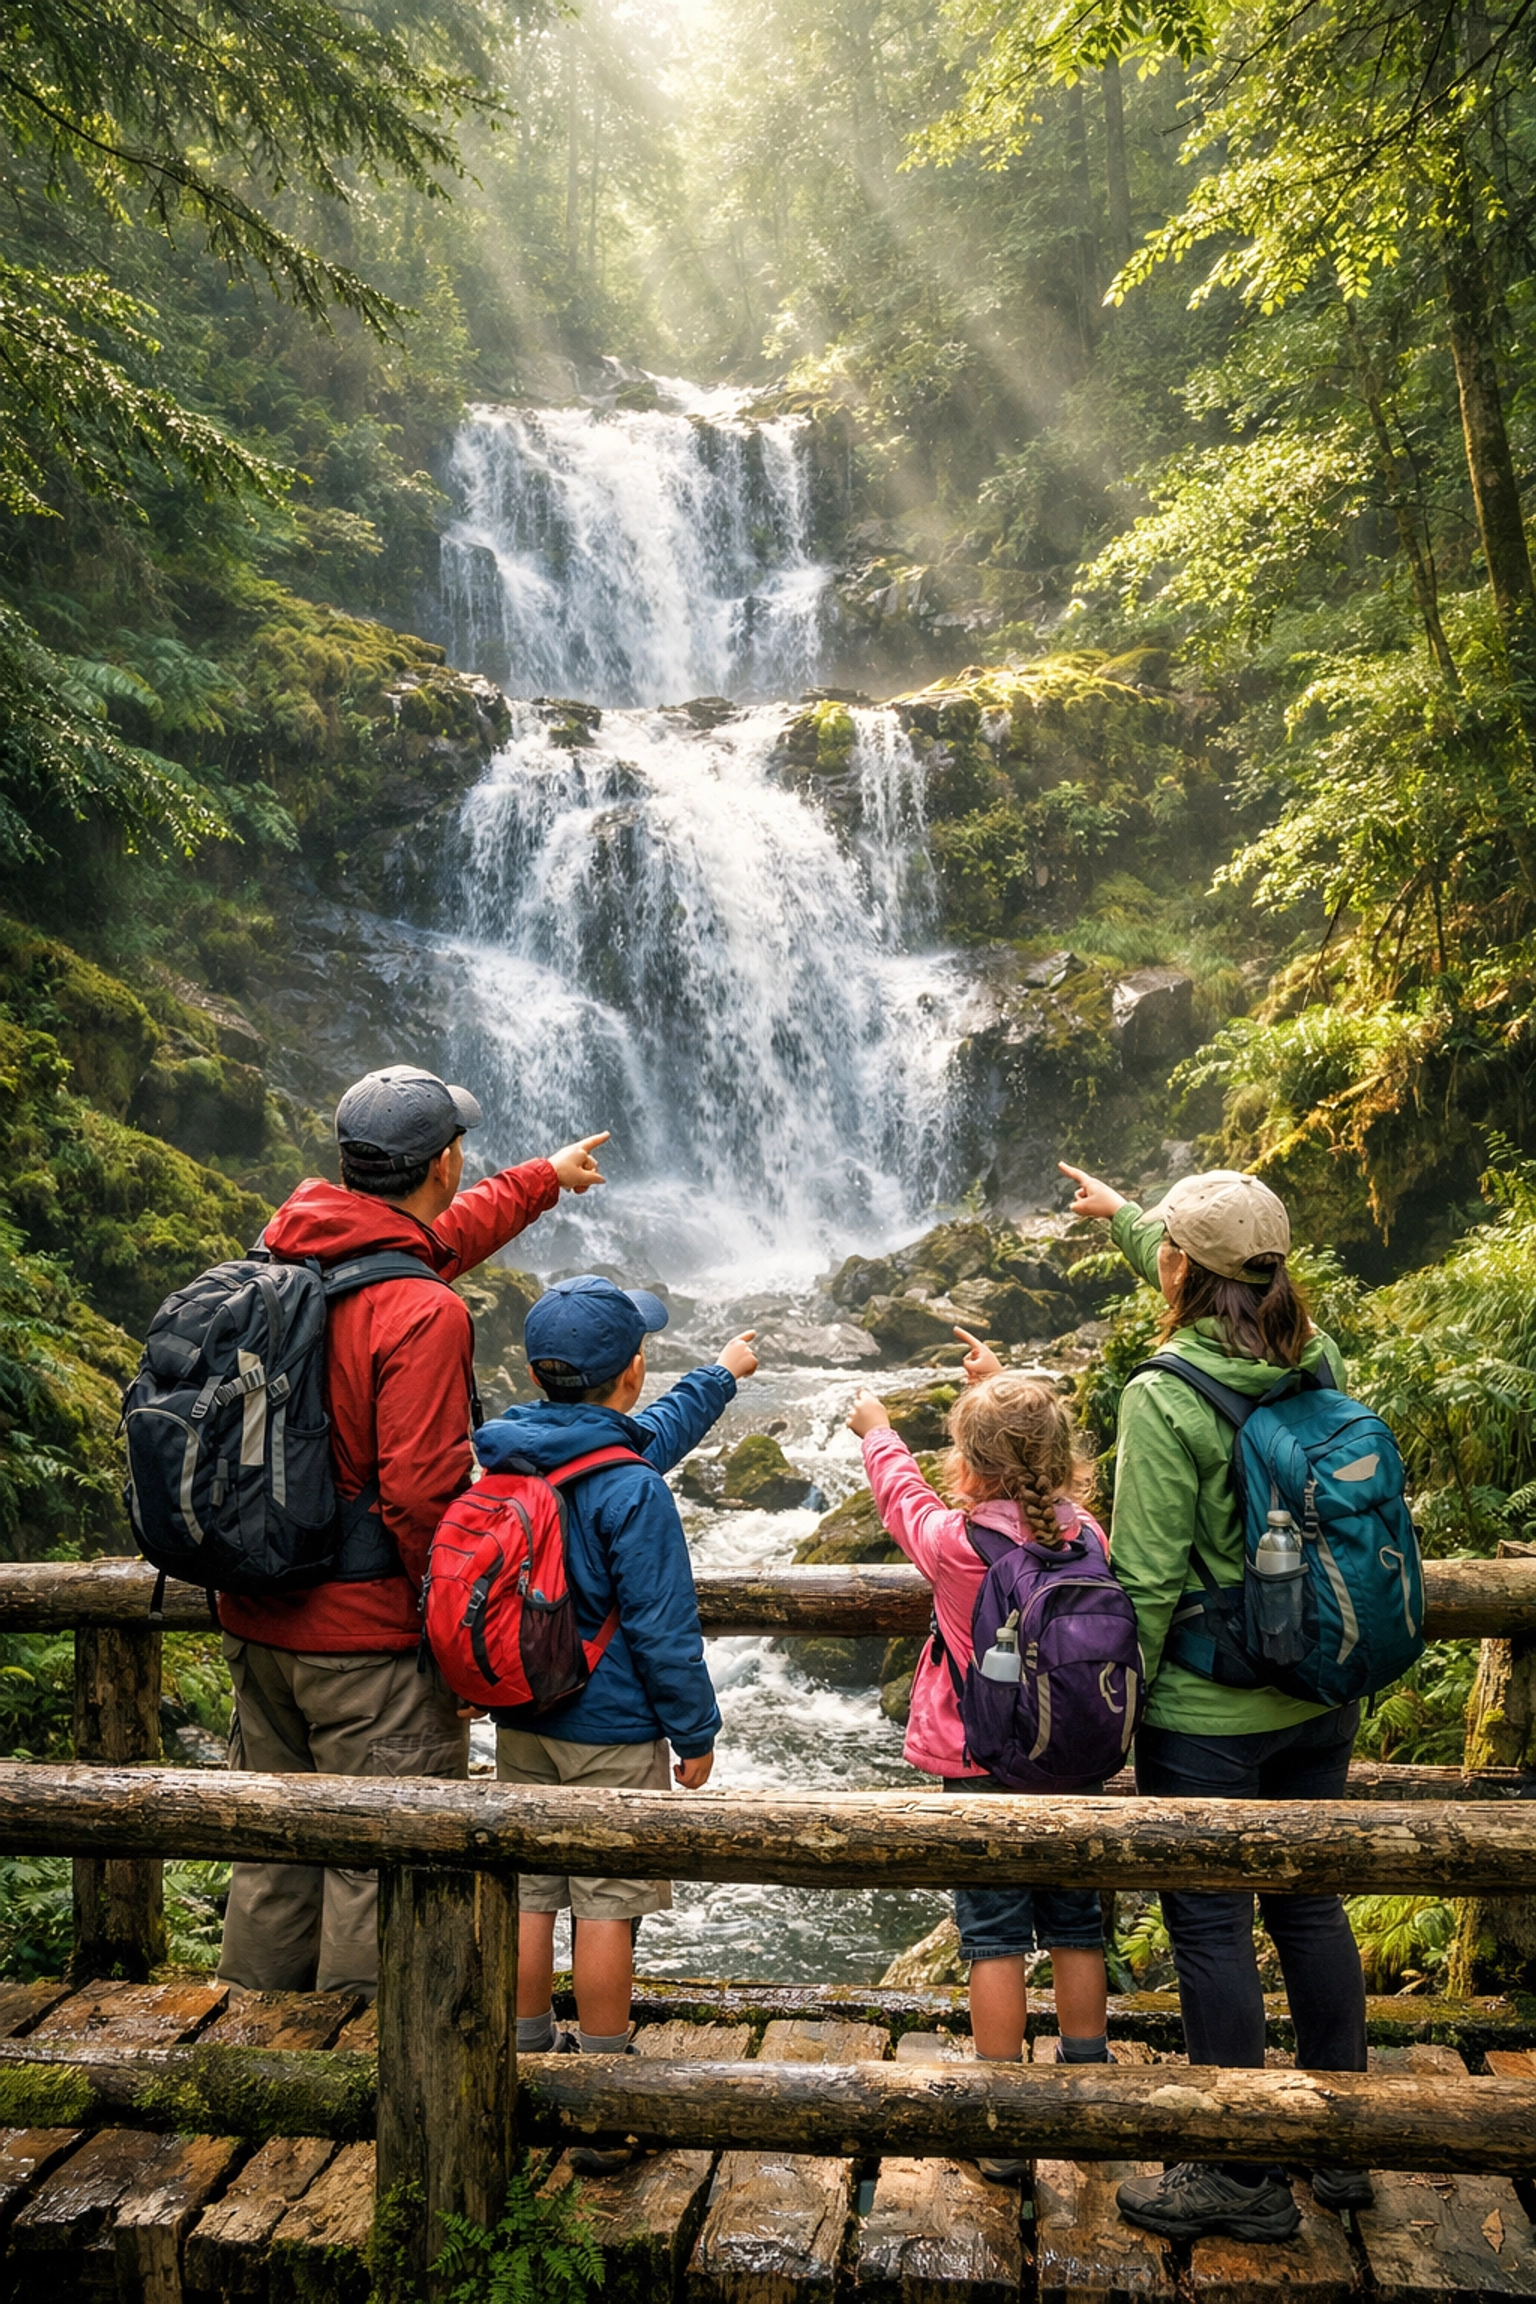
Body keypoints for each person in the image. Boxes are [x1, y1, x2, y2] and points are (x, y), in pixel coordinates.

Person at [217, 1064, 608, 1999]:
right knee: (378, 1863)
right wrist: (458, 1643)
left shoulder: (283, 1256)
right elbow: (423, 1498)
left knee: (276, 1852)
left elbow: (432, 1241)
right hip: (366, 1647)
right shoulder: (423, 1314)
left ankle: (252, 2073)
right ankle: (362, 2095)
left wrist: (543, 1179)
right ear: (443, 1163)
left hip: (258, 1614)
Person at [1060, 1160, 1370, 2244]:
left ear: (1180, 1271)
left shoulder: (1163, 1394)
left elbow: (1143, 1580)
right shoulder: (1313, 1353)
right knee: (1309, 1904)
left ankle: (1235, 2172)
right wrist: (1124, 1219)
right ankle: (1345, 2144)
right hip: (1320, 1694)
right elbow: (1215, 1271)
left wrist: (1110, 1717)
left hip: (1207, 1714)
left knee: (1210, 1926)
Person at [474, 1273, 757, 2172]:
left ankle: (521, 2051)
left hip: (521, 1712)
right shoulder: (633, 1491)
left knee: (529, 1889)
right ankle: (600, 2098)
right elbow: (663, 1628)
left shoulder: (508, 1454)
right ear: (632, 1373)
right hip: (614, 1727)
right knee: (605, 1905)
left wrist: (720, 1375)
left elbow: (648, 1437)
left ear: (534, 1369)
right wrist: (697, 1732)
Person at [847, 1332, 1111, 2184]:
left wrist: (876, 1431)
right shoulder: (1090, 1537)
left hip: (985, 1766)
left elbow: (900, 1499)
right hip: (1075, 1761)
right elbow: (1027, 1470)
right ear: (1063, 1460)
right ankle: (1089, 2088)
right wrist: (1006, 1389)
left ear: (966, 1468)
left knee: (992, 1937)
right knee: (1078, 1924)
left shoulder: (958, 1546)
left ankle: (1001, 2122)